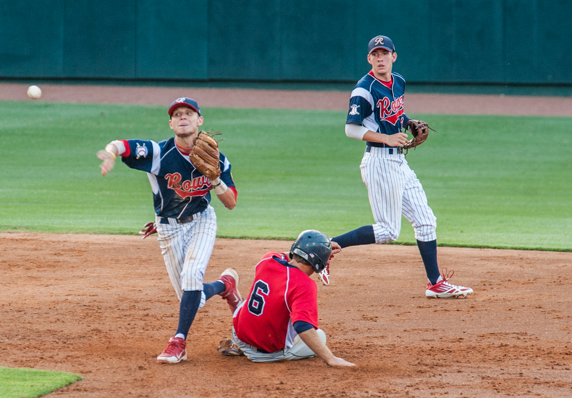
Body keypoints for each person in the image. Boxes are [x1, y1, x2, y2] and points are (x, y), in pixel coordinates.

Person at [96, 97, 243, 363]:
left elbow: (231, 202)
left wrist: (215, 179)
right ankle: (225, 285)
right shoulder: (158, 153)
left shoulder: (218, 159)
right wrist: (110, 153)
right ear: (171, 123)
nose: (183, 117)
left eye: (189, 113)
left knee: (191, 276)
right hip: (169, 230)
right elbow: (122, 145)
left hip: (202, 220)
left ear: (199, 121)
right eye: (177, 114)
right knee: (192, 298)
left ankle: (179, 343)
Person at [332, 35, 473, 298]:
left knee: (426, 221)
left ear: (394, 56)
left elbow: (393, 114)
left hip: (398, 161)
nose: (380, 58)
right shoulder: (364, 89)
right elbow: (350, 129)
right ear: (369, 59)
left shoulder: (399, 81)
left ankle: (435, 283)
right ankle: (326, 247)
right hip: (379, 161)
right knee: (387, 230)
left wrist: (407, 121)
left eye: (385, 53)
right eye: (375, 54)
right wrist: (386, 137)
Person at [217, 230, 355, 367]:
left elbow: (292, 256)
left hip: (239, 334)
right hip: (264, 354)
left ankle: (233, 297)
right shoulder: (304, 284)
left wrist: (316, 249)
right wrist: (331, 359)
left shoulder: (268, 259)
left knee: (266, 298)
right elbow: (303, 326)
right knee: (320, 336)